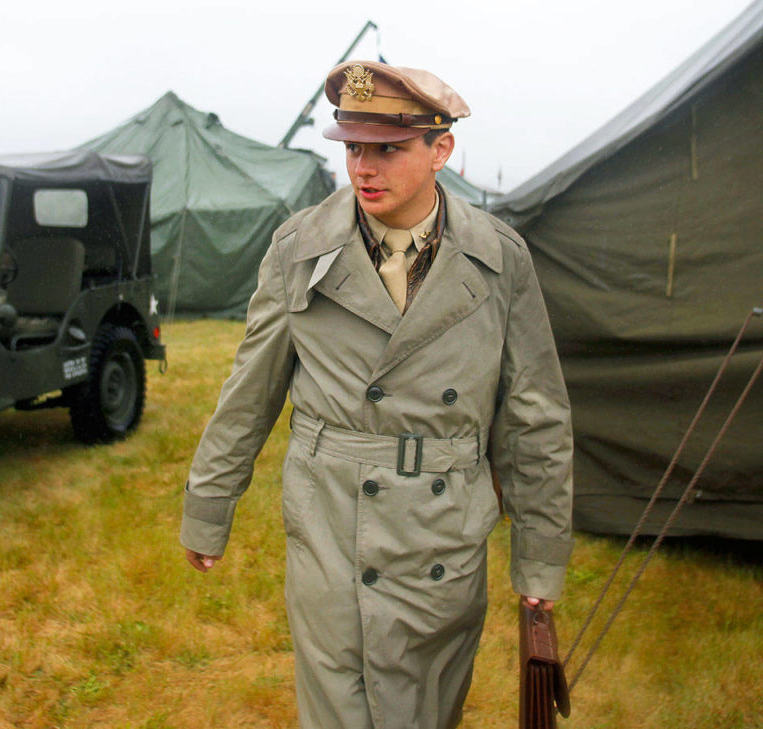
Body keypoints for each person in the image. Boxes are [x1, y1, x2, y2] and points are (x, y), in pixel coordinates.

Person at [180, 60, 574, 729]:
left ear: (440, 150)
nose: (364, 167)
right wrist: (209, 503)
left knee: (421, 708)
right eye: (354, 147)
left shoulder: (499, 257)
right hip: (330, 525)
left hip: (440, 539)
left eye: (388, 149)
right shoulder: (298, 248)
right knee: (336, 703)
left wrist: (538, 556)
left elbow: (535, 414)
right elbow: (251, 387)